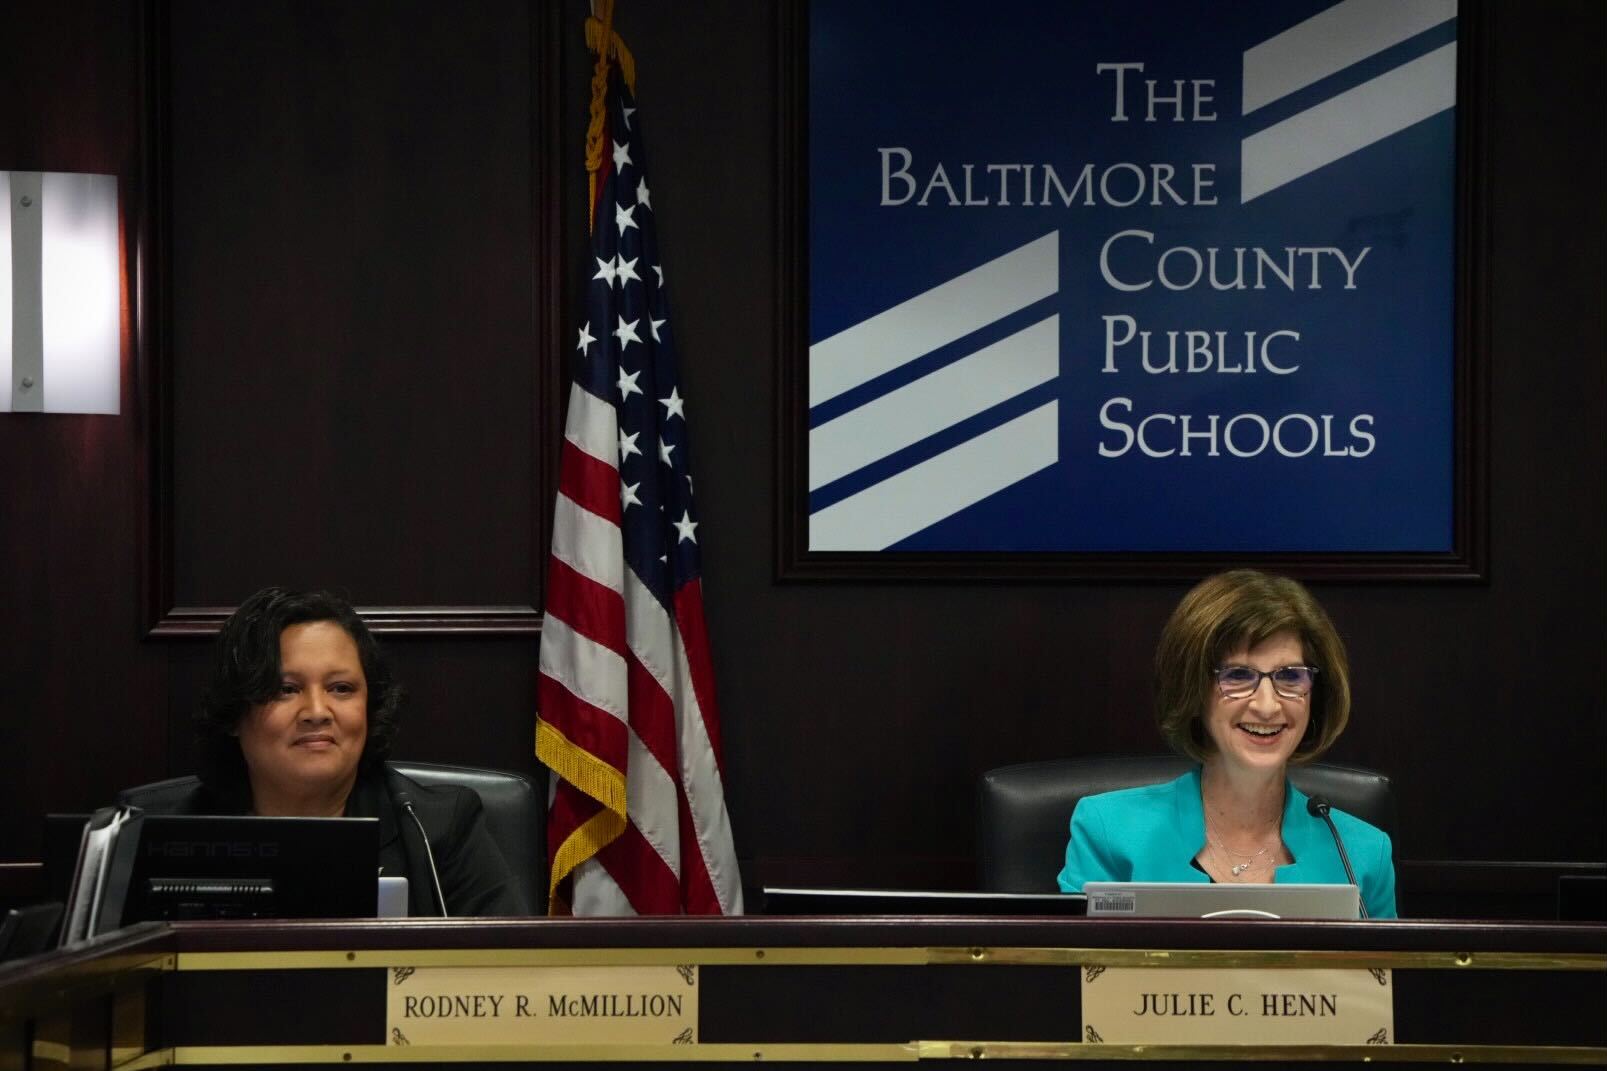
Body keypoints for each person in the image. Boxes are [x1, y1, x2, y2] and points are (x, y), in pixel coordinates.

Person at [130, 586, 529, 917]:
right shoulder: (155, 835)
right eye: (286, 689)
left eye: (341, 689)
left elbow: (511, 979)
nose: (317, 712)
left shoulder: (437, 829)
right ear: (235, 712)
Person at [1057, 569, 1397, 918]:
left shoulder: (1363, 854)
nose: (1267, 706)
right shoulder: (1110, 830)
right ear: (1194, 691)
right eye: (1237, 675)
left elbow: (1382, 974)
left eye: (1290, 676)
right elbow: (1077, 971)